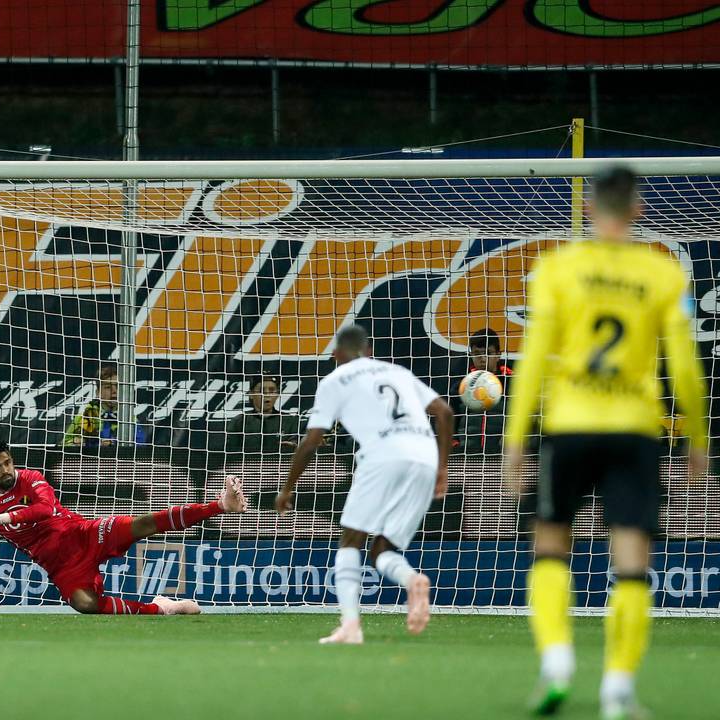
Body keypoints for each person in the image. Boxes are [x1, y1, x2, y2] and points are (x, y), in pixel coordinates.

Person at [504, 165, 709, 719]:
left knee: (549, 547)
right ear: (638, 210)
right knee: (632, 562)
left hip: (568, 426)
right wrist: (696, 432)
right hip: (635, 430)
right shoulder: (662, 274)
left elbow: (535, 358)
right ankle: (618, 688)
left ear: (590, 209)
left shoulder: (557, 268)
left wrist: (515, 433)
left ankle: (557, 664)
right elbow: (683, 365)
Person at [0, 438, 248, 614]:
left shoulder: (31, 479)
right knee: (85, 605)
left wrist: (3, 518)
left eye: (8, 462)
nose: (6, 470)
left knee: (142, 525)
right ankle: (163, 608)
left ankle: (219, 505)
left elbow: (44, 510)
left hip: (82, 534)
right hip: (60, 565)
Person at [276, 325, 453, 644]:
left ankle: (351, 626)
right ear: (368, 351)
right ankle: (412, 579)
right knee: (382, 549)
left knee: (350, 541)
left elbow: (311, 440)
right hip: (425, 457)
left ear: (336, 356)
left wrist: (287, 487)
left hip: (383, 454)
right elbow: (444, 412)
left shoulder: (333, 380)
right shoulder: (397, 371)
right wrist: (442, 469)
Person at [61, 365, 147, 447]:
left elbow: (140, 444)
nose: (114, 391)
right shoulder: (85, 417)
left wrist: (113, 443)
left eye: (117, 386)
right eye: (108, 387)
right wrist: (76, 444)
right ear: (98, 393)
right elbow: (64, 444)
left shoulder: (129, 419)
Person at [458, 328, 513, 455]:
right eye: (477, 353)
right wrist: (455, 443)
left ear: (498, 354)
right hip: (467, 454)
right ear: (471, 355)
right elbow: (452, 414)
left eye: (488, 352)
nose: (482, 358)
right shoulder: (461, 384)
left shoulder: (512, 382)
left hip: (502, 455)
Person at [223, 375, 300, 454]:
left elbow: (299, 449)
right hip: (248, 465)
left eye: (272, 390)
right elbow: (230, 453)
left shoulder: (290, 421)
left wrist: (294, 447)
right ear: (251, 394)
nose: (266, 394)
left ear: (277, 394)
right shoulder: (239, 421)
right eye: (261, 391)